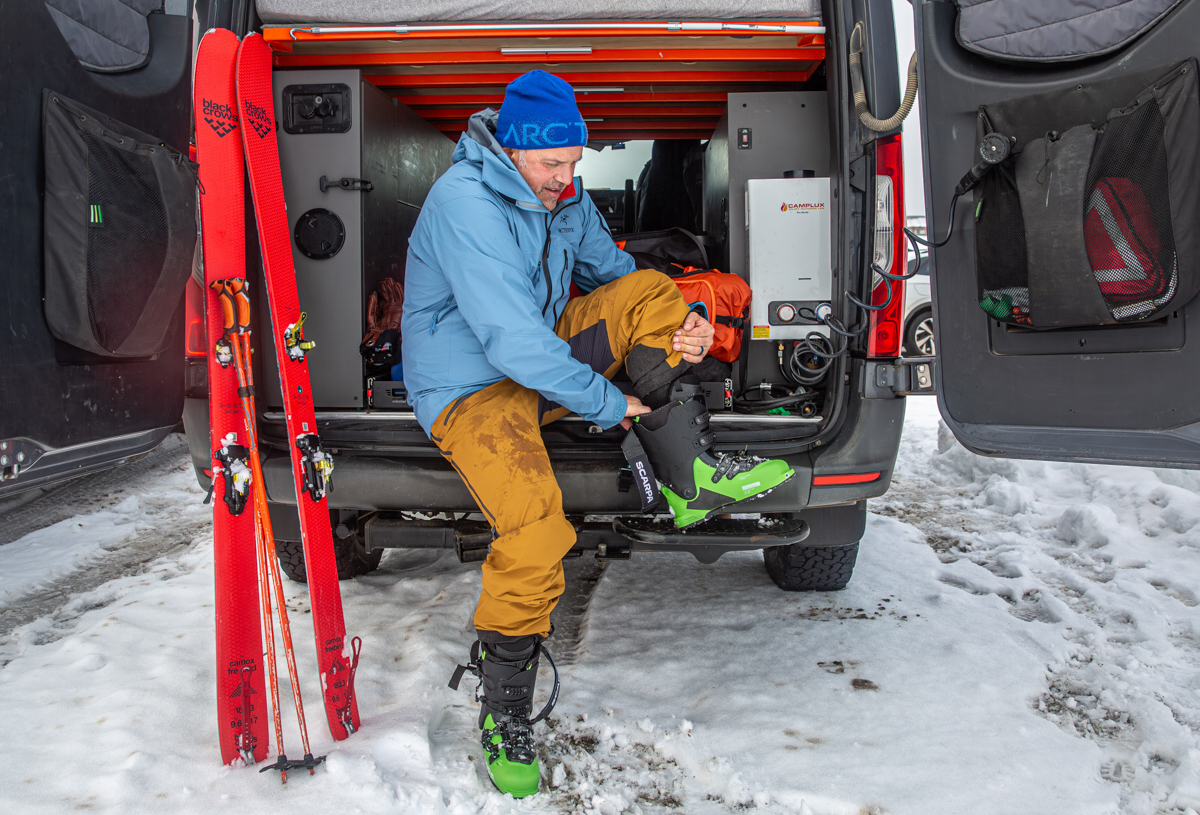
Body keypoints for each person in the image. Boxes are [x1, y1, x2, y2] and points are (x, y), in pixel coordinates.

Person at [401, 70, 795, 798]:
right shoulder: (465, 203)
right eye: (552, 164)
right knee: (536, 530)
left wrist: (685, 323)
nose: (565, 177)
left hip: (537, 359)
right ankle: (504, 709)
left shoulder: (562, 195)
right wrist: (609, 403)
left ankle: (693, 476)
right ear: (512, 150)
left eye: (575, 162)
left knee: (651, 290)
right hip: (472, 386)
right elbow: (511, 341)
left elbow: (614, 275)